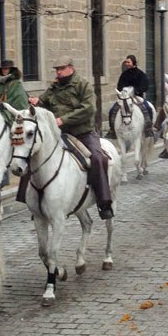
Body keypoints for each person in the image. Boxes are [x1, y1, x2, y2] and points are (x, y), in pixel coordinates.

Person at [27, 56, 114, 220]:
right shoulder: (54, 86)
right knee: (31, 154)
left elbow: (88, 108)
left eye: (61, 69)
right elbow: (44, 101)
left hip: (82, 133)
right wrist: (36, 101)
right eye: (56, 70)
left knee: (97, 158)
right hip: (57, 134)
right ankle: (34, 204)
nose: (58, 72)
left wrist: (63, 119)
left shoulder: (83, 85)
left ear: (71, 68)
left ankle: (104, 202)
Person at [105, 54, 153, 139]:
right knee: (112, 110)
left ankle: (149, 129)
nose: (126, 64)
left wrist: (136, 90)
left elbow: (145, 86)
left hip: (137, 96)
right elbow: (119, 86)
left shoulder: (141, 74)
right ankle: (112, 130)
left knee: (148, 108)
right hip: (124, 97)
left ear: (133, 62)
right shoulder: (124, 74)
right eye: (126, 62)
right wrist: (121, 92)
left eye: (128, 62)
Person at [0, 59, 29, 126]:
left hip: (11, 115)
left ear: (10, 70)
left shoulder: (16, 84)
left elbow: (19, 99)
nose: (4, 70)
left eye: (6, 69)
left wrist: (4, 105)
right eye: (3, 69)